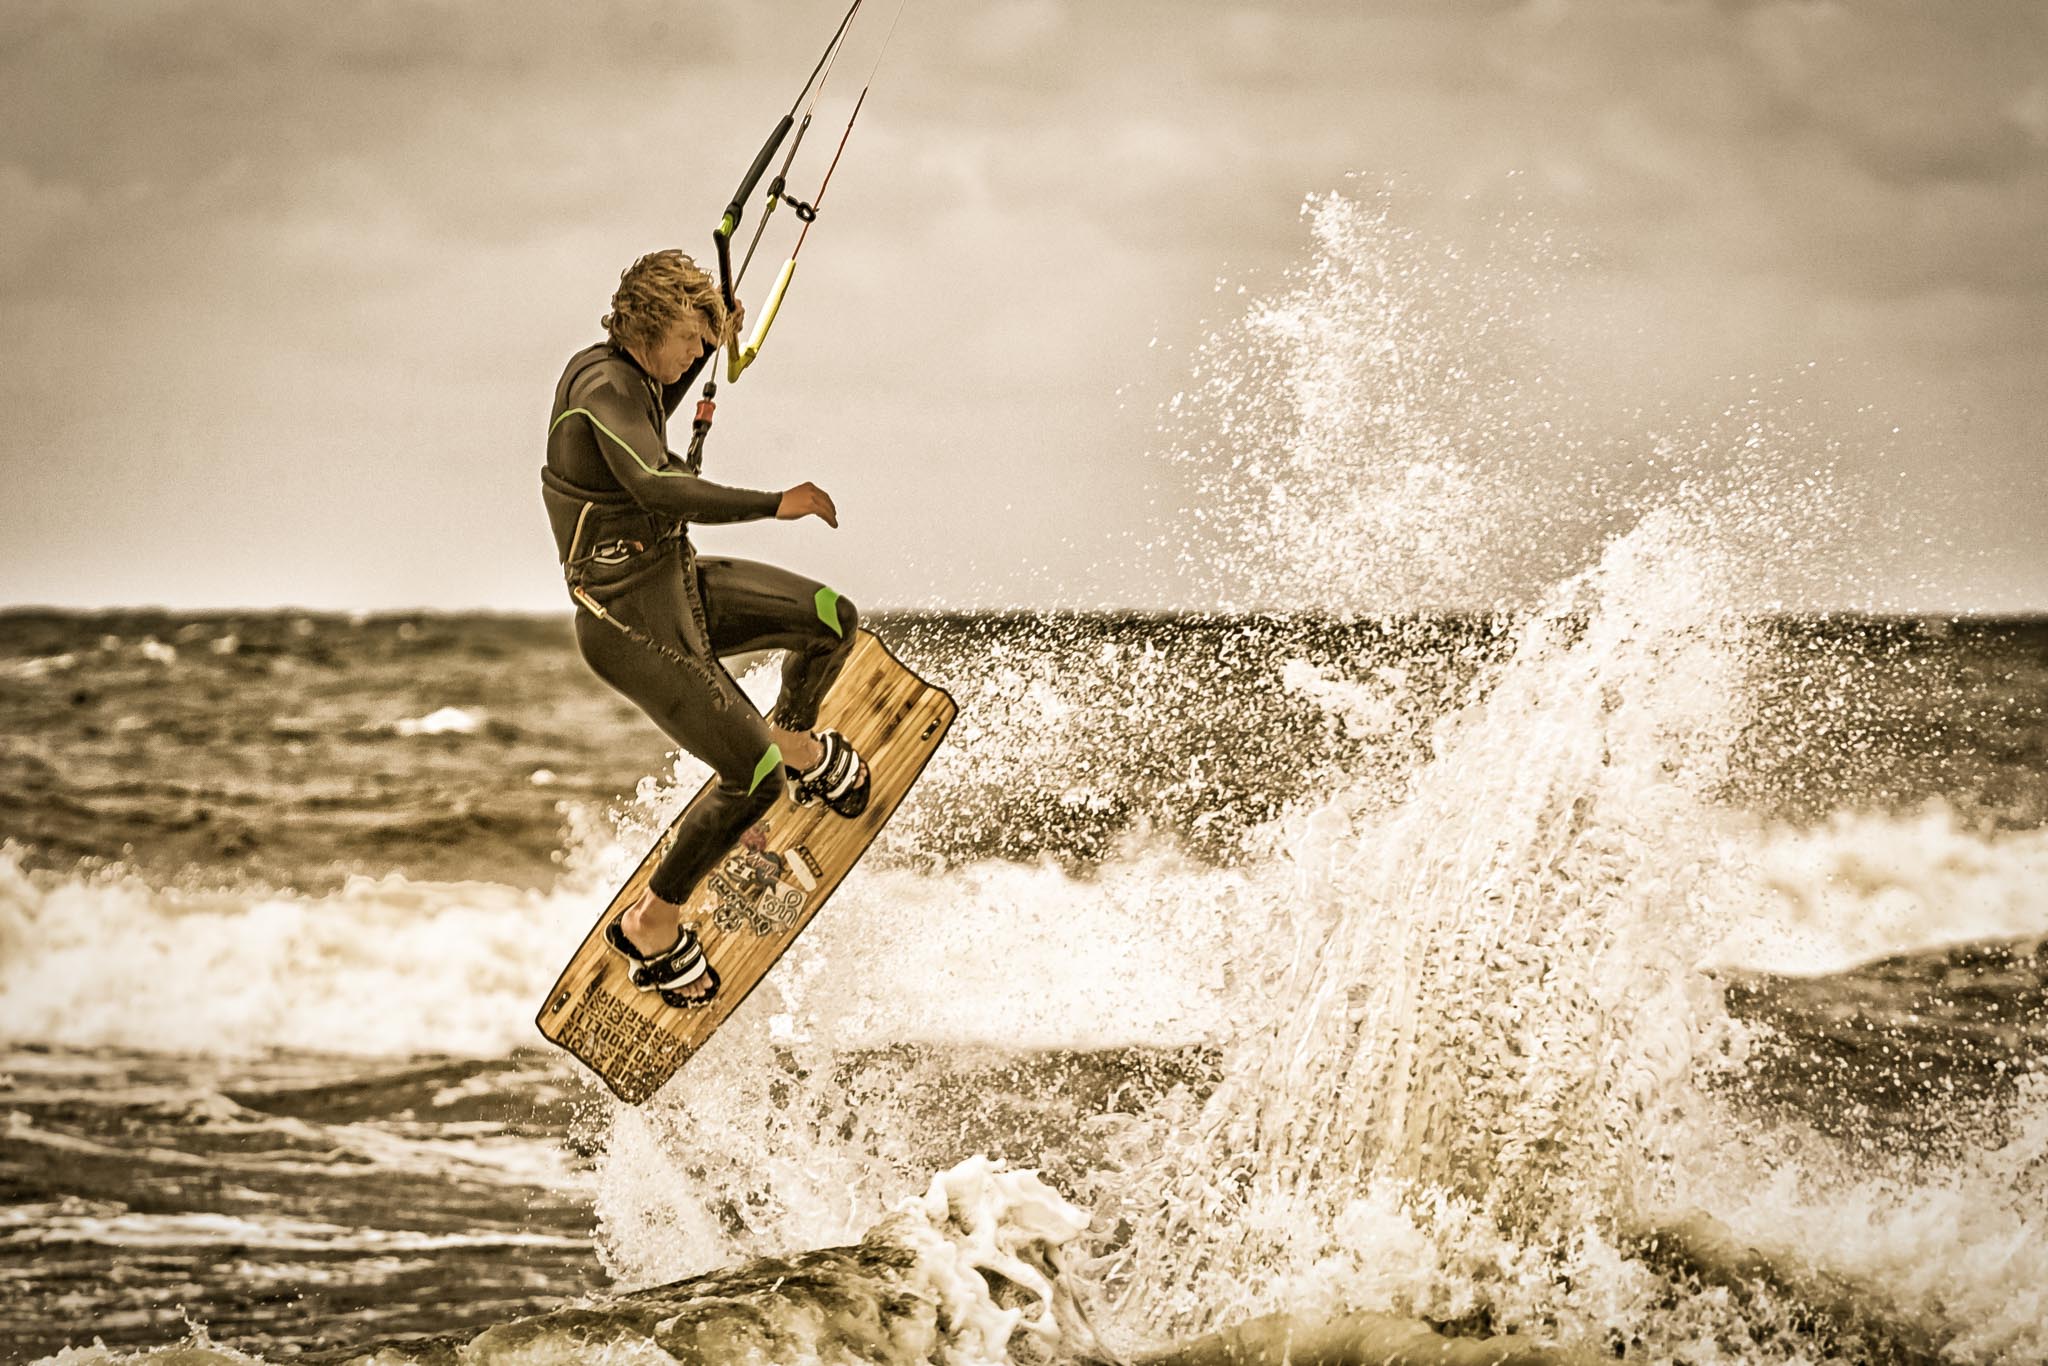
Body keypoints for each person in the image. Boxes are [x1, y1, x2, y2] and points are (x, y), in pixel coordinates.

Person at [541, 249, 869, 1009]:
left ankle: (790, 745)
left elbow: (656, 406)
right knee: (747, 775)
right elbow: (655, 484)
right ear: (653, 327)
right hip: (624, 621)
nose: (699, 354)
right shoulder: (599, 387)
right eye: (692, 340)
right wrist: (773, 501)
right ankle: (651, 925)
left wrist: (714, 333)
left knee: (829, 621)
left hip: (676, 585)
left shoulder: (637, 376)